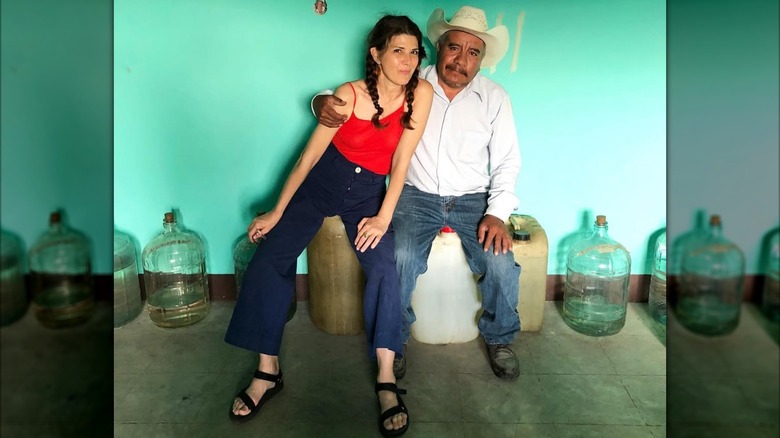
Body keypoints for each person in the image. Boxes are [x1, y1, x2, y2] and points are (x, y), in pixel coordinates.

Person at [224, 15, 434, 437]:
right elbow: (308, 157)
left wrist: (383, 216)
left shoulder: (421, 94)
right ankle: (268, 371)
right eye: (398, 50)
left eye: (414, 52)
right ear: (376, 54)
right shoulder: (347, 96)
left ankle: (386, 378)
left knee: (385, 267)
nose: (408, 60)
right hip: (323, 183)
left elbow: (401, 161)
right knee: (270, 256)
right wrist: (276, 211)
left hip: (368, 195)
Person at [314, 6, 522, 381]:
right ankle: (393, 341)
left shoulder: (495, 98)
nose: (461, 59)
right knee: (400, 257)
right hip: (416, 195)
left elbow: (507, 161)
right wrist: (321, 101)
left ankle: (500, 337)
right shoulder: (412, 81)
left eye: (473, 52)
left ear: (481, 60)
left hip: (473, 200)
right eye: (454, 47)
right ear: (438, 46)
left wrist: (497, 213)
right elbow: (362, 94)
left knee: (501, 262)